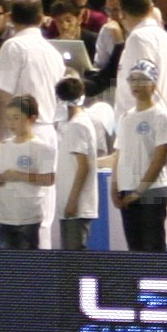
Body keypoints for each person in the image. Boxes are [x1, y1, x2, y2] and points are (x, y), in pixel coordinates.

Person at [112, 58, 167, 251]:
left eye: (142, 80)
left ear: (153, 85)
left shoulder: (160, 116)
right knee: (135, 248)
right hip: (127, 189)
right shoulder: (126, 117)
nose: (136, 85)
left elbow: (159, 159)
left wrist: (139, 191)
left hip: (152, 192)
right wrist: (114, 185)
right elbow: (119, 154)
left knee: (153, 247)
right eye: (133, 80)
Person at [0, 94, 55, 248]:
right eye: (8, 118)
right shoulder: (4, 146)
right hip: (5, 216)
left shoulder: (43, 148)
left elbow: (49, 179)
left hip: (28, 216)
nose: (11, 123)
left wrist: (20, 176)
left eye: (16, 118)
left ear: (32, 118)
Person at [52, 74, 104, 250]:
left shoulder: (78, 126)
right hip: (69, 203)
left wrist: (72, 201)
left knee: (73, 258)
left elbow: (84, 167)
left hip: (76, 206)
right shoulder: (71, 125)